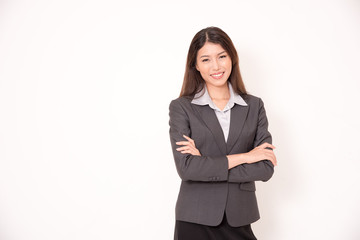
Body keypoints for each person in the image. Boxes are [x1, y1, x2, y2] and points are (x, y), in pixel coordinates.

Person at [168, 26, 277, 240]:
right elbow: (187, 168)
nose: (216, 66)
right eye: (206, 59)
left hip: (240, 217)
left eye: (221, 56)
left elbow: (265, 168)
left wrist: (206, 165)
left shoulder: (254, 106)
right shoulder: (182, 108)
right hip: (195, 218)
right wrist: (246, 157)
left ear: (232, 58)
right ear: (196, 65)